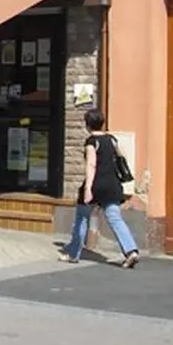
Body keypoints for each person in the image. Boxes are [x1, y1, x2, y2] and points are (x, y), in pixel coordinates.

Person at [60, 106, 140, 268]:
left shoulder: (91, 142)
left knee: (82, 217)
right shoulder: (111, 139)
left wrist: (88, 188)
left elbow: (91, 165)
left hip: (97, 184)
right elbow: (121, 157)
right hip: (113, 185)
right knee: (115, 219)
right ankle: (131, 251)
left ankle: (74, 253)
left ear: (87, 125)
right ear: (102, 123)